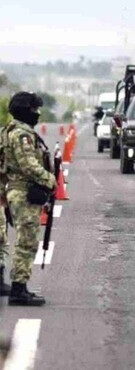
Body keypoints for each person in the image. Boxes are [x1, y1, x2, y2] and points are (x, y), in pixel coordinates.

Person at [0, 92, 56, 306]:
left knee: (25, 240)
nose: (37, 113)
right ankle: (19, 289)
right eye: (33, 109)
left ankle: (19, 286)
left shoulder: (10, 130)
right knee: (26, 242)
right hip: (23, 192)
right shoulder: (21, 134)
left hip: (16, 191)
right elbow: (28, 165)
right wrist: (50, 180)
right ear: (25, 110)